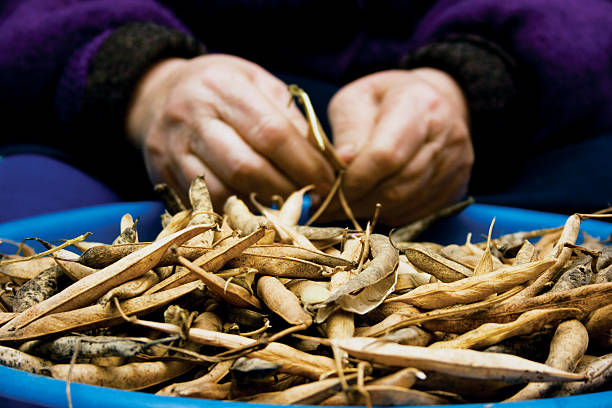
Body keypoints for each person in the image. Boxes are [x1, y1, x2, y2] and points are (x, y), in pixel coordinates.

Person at [1, 0, 611, 225]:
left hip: (498, 130)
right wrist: (142, 81)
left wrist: (476, 80)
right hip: (131, 125)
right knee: (24, 215)